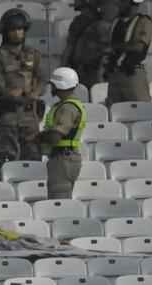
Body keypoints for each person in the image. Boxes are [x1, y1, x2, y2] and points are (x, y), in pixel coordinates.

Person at [0, 9, 42, 171]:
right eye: (13, 29)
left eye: (20, 29)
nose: (17, 33)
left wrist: (34, 94)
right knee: (5, 158)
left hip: (30, 116)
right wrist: (12, 95)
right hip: (9, 115)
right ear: (6, 32)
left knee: (33, 159)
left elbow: (42, 78)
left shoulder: (33, 54)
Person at [41, 68, 86, 201]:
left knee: (59, 200)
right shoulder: (67, 105)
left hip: (62, 158)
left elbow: (56, 136)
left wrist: (36, 138)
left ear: (60, 85)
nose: (51, 88)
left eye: (53, 85)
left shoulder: (67, 108)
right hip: (66, 156)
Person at [105, 0, 152, 105]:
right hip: (114, 73)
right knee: (113, 112)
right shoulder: (116, 22)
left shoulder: (143, 21)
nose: (118, 4)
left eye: (122, 2)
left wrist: (114, 47)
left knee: (141, 111)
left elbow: (139, 47)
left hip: (133, 74)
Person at [63, 0, 110, 90]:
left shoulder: (101, 24)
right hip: (81, 69)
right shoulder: (80, 21)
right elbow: (70, 46)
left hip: (93, 70)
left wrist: (63, 67)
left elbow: (69, 48)